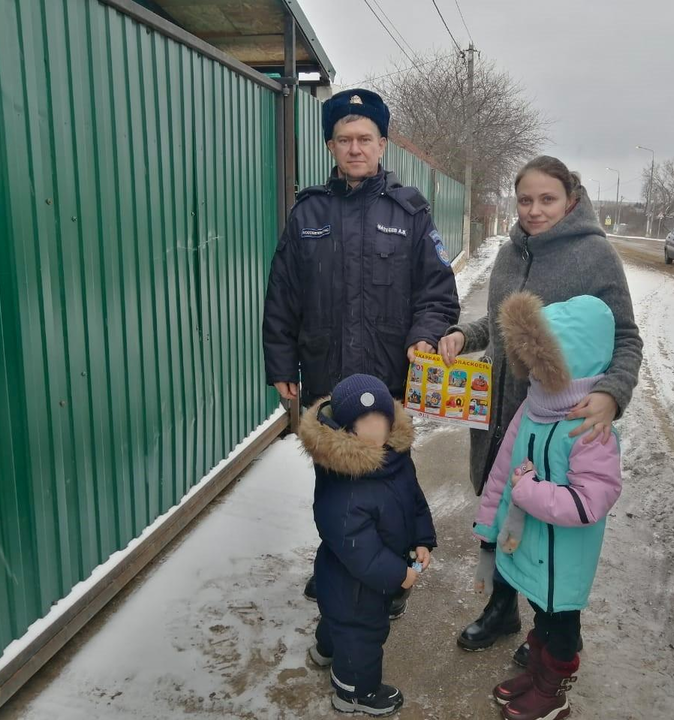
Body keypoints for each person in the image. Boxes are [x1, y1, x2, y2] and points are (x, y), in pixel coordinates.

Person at [263, 88, 459, 616]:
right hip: (327, 371)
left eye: (365, 138)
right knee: (333, 476)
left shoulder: (409, 211)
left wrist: (424, 332)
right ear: (330, 145)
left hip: (387, 377)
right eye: (344, 139)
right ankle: (336, 561)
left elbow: (437, 292)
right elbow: (283, 292)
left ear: (382, 144)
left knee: (389, 478)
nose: (355, 148)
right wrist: (281, 362)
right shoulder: (308, 213)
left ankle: (389, 571)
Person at [439, 157, 642, 664]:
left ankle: (552, 634)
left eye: (546, 199)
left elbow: (627, 337)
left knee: (545, 530)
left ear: (570, 199)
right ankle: (502, 609)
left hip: (556, 423)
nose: (534, 210)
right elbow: (500, 322)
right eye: (525, 200)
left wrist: (613, 392)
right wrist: (467, 334)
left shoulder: (595, 256)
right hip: (501, 414)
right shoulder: (511, 252)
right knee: (500, 512)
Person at [476, 291, 622, 720]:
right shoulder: (534, 408)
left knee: (560, 626)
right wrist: (488, 526)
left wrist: (530, 493)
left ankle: (553, 691)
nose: (531, 377)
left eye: (540, 368)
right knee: (540, 617)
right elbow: (503, 471)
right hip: (531, 549)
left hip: (563, 561)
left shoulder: (589, 429)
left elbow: (590, 502)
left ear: (565, 365)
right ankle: (538, 675)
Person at [298, 374, 437, 716]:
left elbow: (414, 501)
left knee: (339, 620)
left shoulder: (396, 458)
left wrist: (422, 539)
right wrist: (397, 575)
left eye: (382, 419)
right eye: (365, 423)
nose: (376, 430)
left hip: (373, 573)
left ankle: (325, 649)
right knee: (362, 631)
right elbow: (358, 549)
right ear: (346, 430)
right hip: (353, 581)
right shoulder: (342, 486)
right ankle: (354, 692)